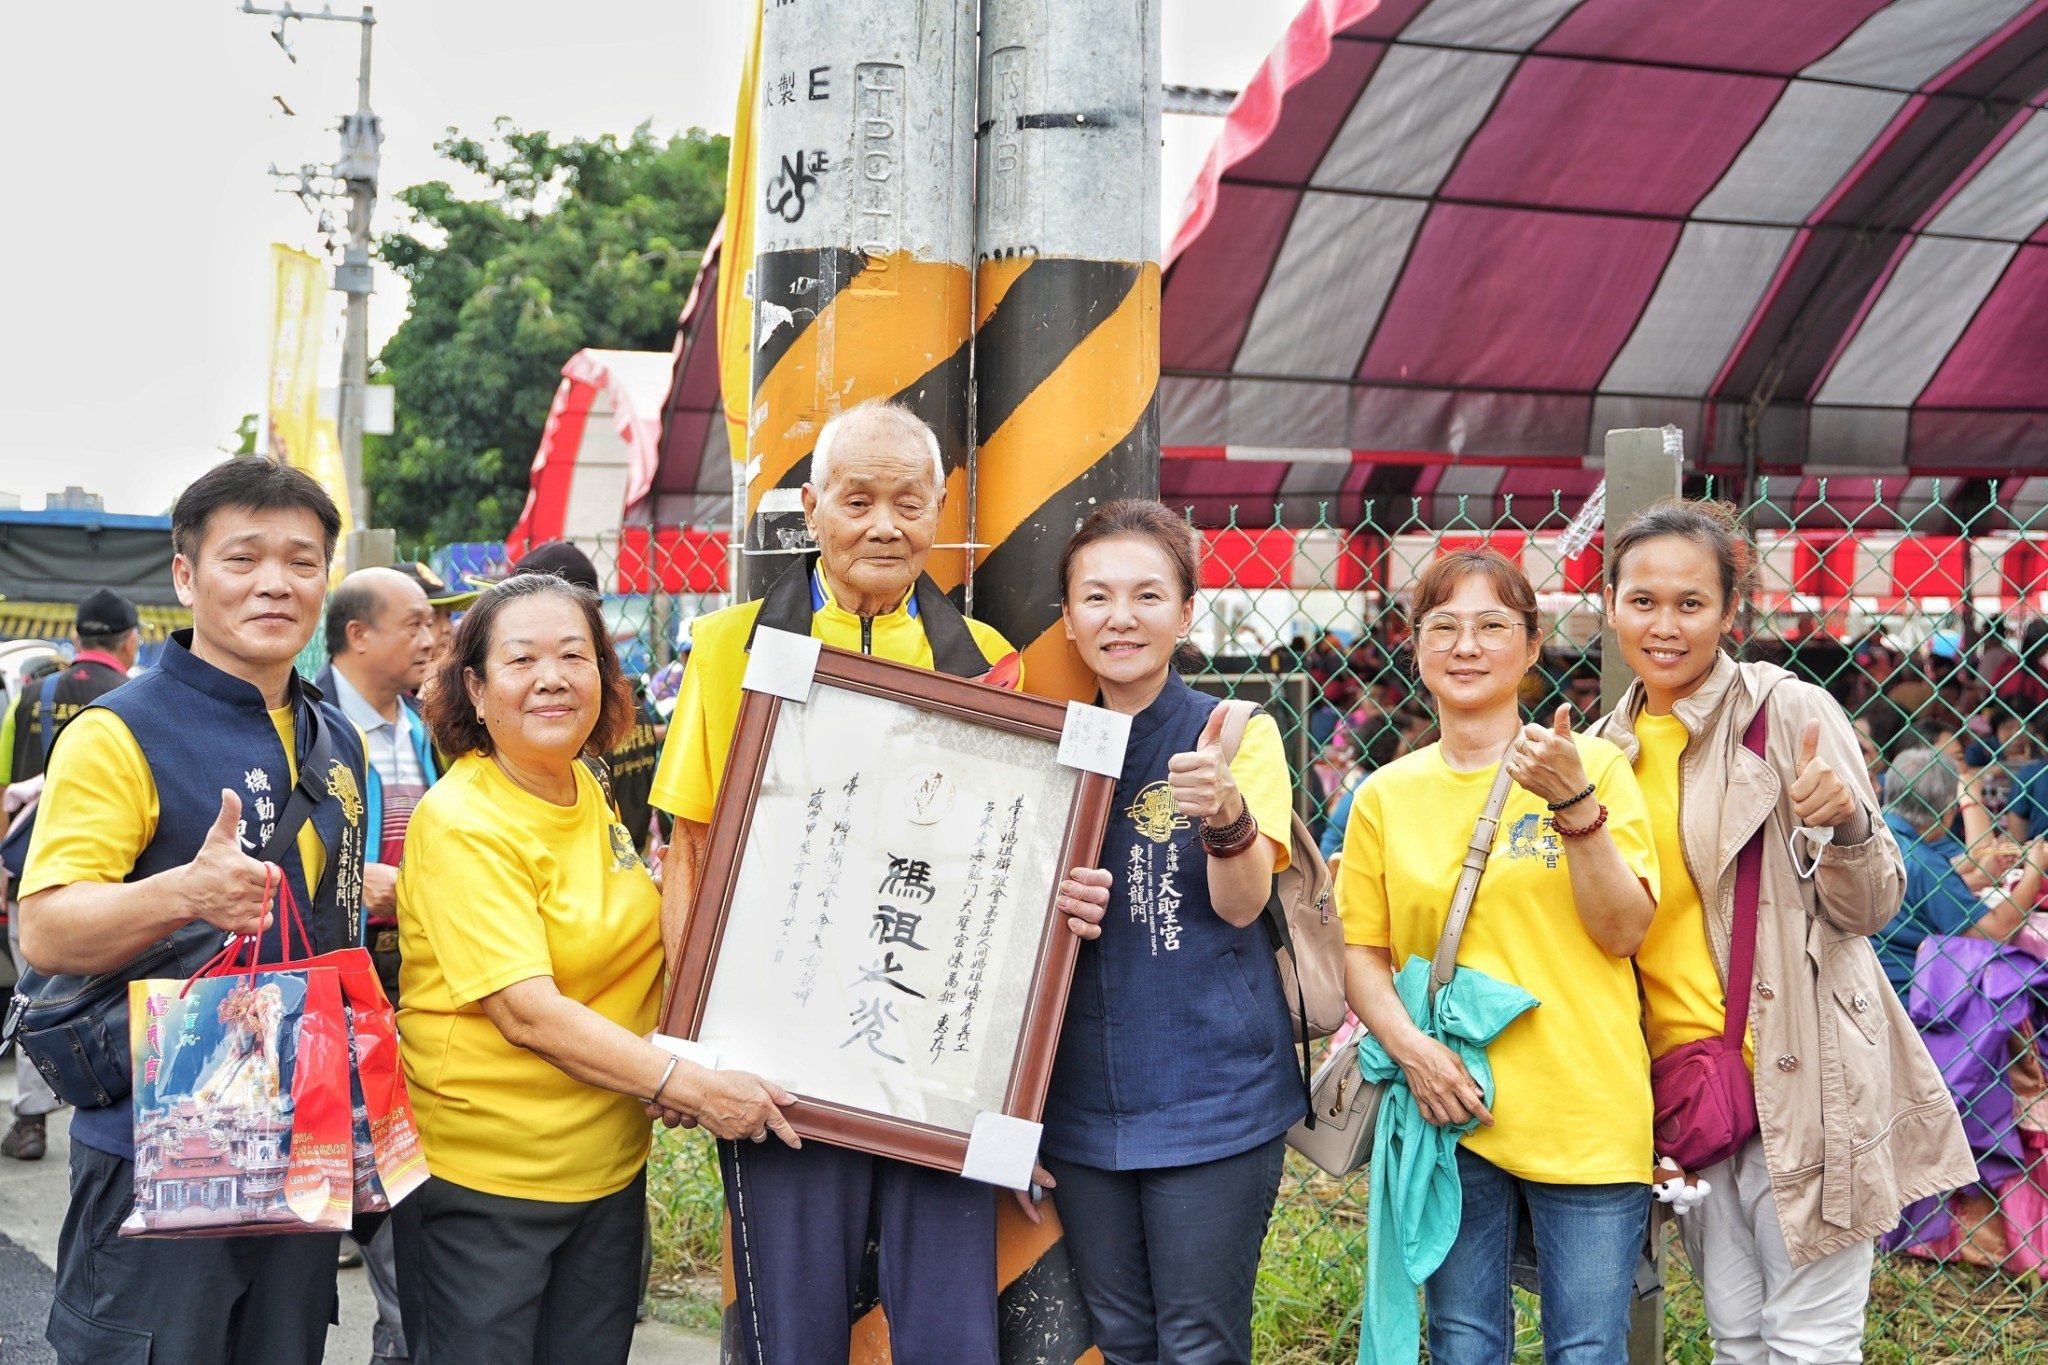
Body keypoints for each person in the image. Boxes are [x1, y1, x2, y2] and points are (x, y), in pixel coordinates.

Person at [650, 399, 1030, 1363]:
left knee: (949, 1330)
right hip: (778, 1052)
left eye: (909, 502)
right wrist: (692, 1046)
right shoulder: (731, 644)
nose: (883, 526)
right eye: (856, 501)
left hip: (927, 1062)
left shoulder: (985, 660)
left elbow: (1003, 869)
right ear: (810, 507)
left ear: (940, 509)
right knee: (790, 1326)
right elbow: (687, 846)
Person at [1592, 499, 1975, 1363]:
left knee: (1808, 1342)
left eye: (1691, 603)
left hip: (1802, 1077)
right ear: (1609, 602)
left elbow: (1874, 905)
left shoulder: (1789, 713)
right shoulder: (1600, 751)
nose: (1664, 624)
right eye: (1643, 600)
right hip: (1686, 1090)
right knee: (1736, 1338)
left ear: (1733, 611)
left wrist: (1846, 830)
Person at [391, 572, 797, 1365]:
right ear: (473, 686)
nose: (553, 677)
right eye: (523, 659)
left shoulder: (582, 781)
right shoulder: (463, 822)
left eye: (576, 655)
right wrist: (687, 1085)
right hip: (489, 1190)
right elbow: (528, 1011)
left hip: (606, 1175)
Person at [17, 459, 368, 1363]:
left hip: (303, 1139)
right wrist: (185, 892)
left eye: (300, 560)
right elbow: (47, 927)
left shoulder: (338, 739)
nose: (273, 583)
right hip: (158, 1143)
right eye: (242, 557)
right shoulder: (119, 730)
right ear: (186, 576)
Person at [1338, 547, 1660, 1363]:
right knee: (1464, 1342)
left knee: (1587, 1347)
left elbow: (1624, 931)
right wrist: (1413, 1053)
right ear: (1415, 646)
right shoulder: (1383, 795)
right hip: (1452, 1110)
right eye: (1443, 625)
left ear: (1530, 642)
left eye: (1491, 625)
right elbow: (1361, 954)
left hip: (1586, 1106)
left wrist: (1573, 804)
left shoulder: (1597, 768)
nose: (1467, 645)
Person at [1038, 501, 1299, 1365]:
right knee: (1121, 1342)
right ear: (1068, 620)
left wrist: (1226, 815)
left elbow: (1239, 902)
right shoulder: (1044, 747)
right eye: (1097, 597)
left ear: (1187, 613)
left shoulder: (1234, 732)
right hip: (1081, 1105)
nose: (1122, 617)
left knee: (1199, 1342)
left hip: (1212, 1095)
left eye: (1148, 595)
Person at [315, 565, 439, 1360]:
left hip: (410, 988)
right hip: (331, 997)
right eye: (416, 623)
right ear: (359, 635)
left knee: (404, 1190)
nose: (432, 638)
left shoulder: (423, 725)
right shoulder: (305, 726)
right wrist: (358, 885)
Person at [0, 588, 140, 1161]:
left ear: (77, 639)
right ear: (132, 642)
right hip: (121, 886)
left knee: (38, 988)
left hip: (33, 874)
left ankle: (32, 1120)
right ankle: (123, 1111)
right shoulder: (138, 700)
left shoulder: (31, 696)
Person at [500, 541, 664, 852]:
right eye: (523, 658)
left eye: (570, 653)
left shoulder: (585, 728)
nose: (551, 681)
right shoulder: (631, 702)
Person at [1875, 748, 2032, 992]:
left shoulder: (1875, 835)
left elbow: (1921, 891)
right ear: (1947, 811)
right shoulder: (1924, 861)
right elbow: (1996, 931)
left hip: (1873, 979)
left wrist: (1977, 876)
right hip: (1911, 993)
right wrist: (2034, 869)